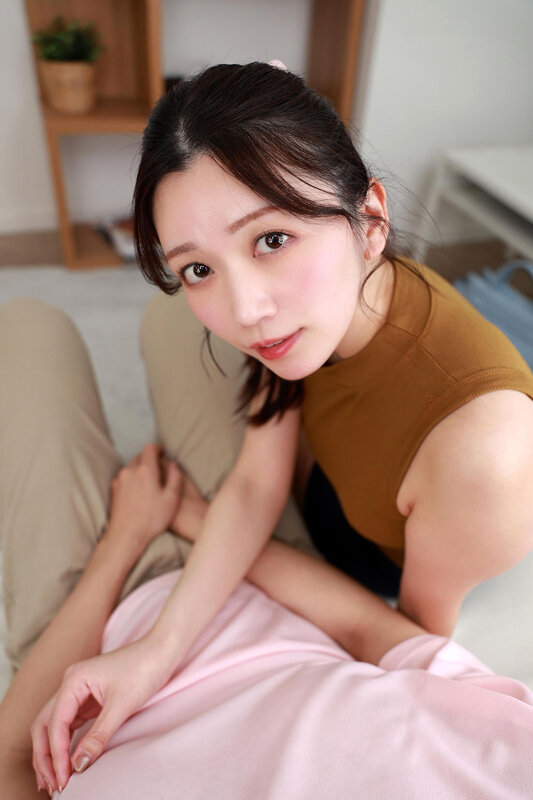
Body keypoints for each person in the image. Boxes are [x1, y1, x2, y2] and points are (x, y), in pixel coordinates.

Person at [2, 59, 532, 792]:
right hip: (306, 489)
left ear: (370, 221)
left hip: (364, 549)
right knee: (171, 320)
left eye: (272, 240)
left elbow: (406, 637)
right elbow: (255, 482)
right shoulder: (306, 319)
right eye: (197, 269)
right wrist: (157, 644)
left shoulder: (487, 455)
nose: (244, 310)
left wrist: (174, 529)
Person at [0, 302, 532, 800]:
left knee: (23, 327)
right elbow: (368, 628)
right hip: (267, 569)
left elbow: (15, 757)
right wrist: (195, 520)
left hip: (80, 628)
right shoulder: (511, 757)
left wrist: (123, 542)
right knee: (185, 312)